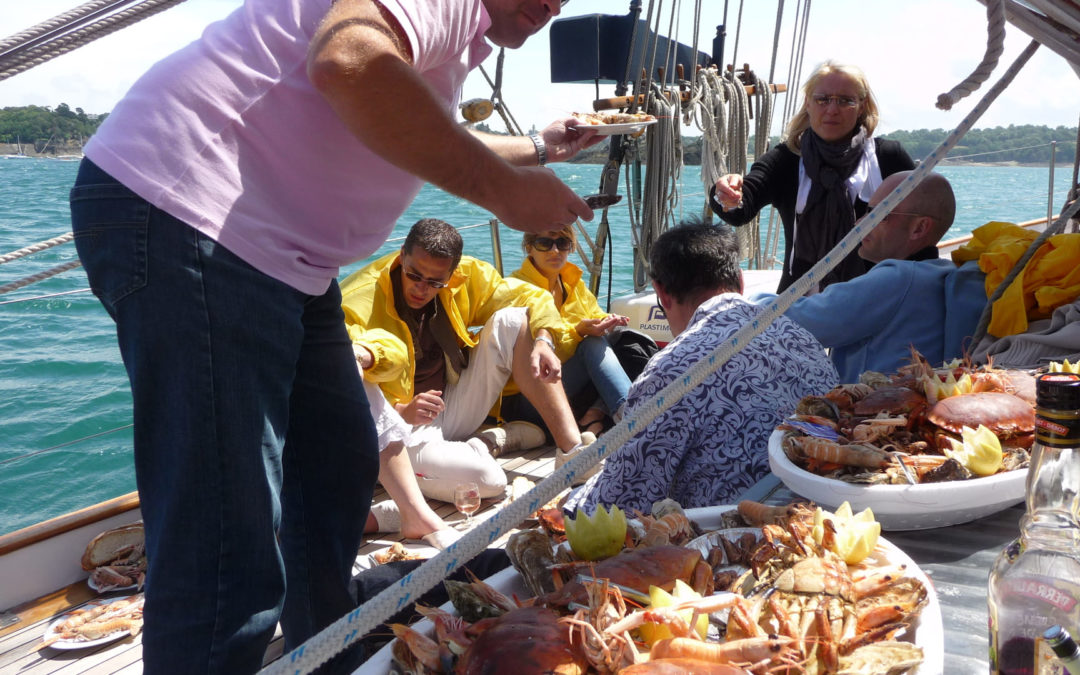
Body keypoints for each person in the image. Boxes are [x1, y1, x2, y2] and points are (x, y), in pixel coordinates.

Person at [68, 0, 601, 671]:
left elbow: (406, 117)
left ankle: (324, 651)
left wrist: (538, 149)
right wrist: (503, 192)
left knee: (337, 462)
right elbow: (349, 63)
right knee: (226, 540)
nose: (553, 4)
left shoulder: (452, 30)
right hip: (195, 220)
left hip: (285, 258)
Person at [564, 221, 838, 515]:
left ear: (661, 293)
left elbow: (620, 501)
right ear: (740, 281)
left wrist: (571, 502)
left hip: (734, 534)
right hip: (828, 509)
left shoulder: (671, 371)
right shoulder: (802, 340)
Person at [340, 218, 592, 504]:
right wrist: (397, 412)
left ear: (451, 274)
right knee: (490, 482)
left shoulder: (463, 278)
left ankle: (572, 453)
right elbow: (338, 383)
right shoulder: (357, 301)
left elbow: (530, 295)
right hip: (399, 429)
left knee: (513, 319)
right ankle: (478, 445)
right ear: (401, 257)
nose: (422, 289)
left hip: (450, 403)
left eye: (435, 282)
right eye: (414, 276)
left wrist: (545, 340)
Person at [756, 171, 988, 383]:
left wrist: (735, 300)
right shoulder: (941, 275)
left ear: (919, 228)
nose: (860, 222)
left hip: (868, 418)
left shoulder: (898, 279)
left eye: (877, 213)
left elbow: (800, 322)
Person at [711, 61, 915, 293]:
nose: (832, 109)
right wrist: (726, 192)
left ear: (861, 106)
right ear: (808, 103)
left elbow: (927, 218)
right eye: (823, 99)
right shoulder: (786, 160)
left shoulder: (888, 158)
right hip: (800, 305)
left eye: (845, 100)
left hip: (879, 301)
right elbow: (741, 207)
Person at [502, 227, 634, 437]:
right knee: (592, 344)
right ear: (529, 248)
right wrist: (578, 333)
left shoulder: (572, 283)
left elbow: (594, 313)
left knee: (631, 344)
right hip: (529, 397)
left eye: (562, 243)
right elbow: (538, 357)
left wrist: (607, 322)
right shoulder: (516, 288)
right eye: (545, 243)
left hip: (567, 385)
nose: (555, 251)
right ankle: (632, 419)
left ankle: (597, 415)